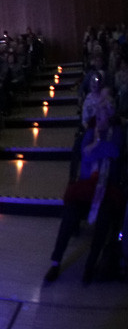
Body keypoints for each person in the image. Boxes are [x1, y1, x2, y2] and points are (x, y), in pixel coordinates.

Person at [44, 103, 125, 284]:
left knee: (104, 219)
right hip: (85, 187)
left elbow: (115, 151)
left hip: (106, 187)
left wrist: (95, 147)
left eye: (103, 117)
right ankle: (55, 262)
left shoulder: (117, 132)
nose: (100, 120)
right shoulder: (90, 131)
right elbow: (85, 155)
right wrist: (97, 146)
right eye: (99, 117)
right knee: (69, 215)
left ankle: (90, 265)